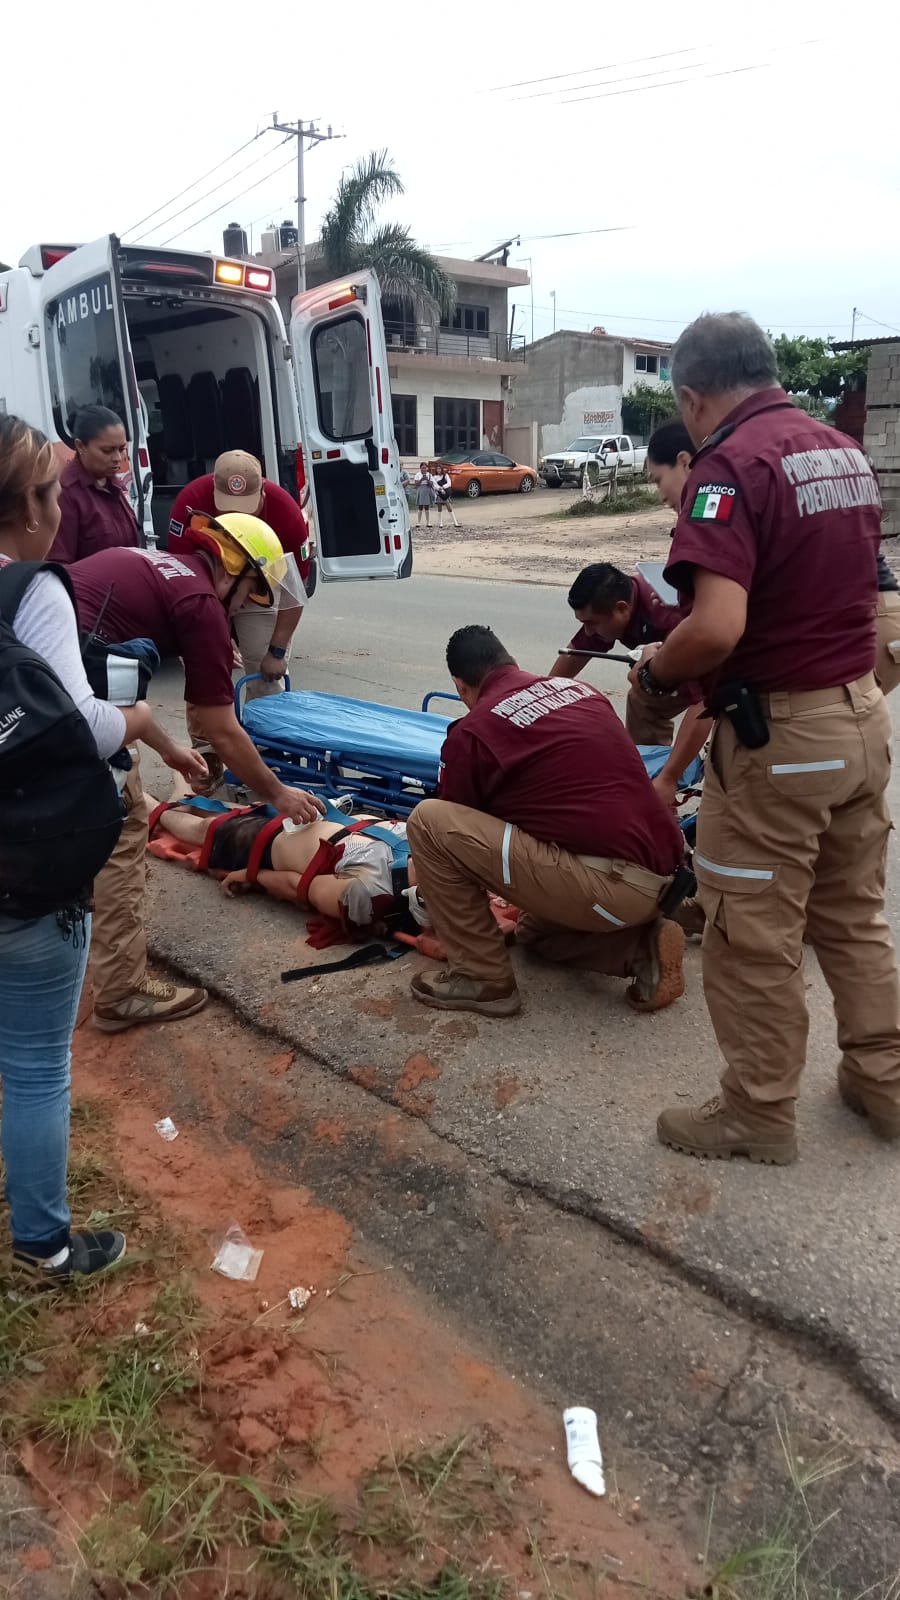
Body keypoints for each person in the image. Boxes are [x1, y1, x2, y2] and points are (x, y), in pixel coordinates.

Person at [634, 311, 900, 1165]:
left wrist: (654, 675)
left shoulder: (729, 468)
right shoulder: (840, 451)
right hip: (858, 715)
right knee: (853, 918)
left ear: (691, 395)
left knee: (753, 933)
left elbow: (715, 628)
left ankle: (757, 1111)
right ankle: (884, 1080)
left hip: (781, 738)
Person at [0, 415, 205, 1283]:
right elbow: (80, 725)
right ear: (33, 505)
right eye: (49, 493)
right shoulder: (30, 590)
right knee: (37, 1065)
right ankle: (44, 1243)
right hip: (26, 861)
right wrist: (145, 721)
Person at [70, 513, 324, 1033]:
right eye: (252, 588)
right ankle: (120, 993)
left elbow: (128, 708)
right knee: (123, 831)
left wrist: (167, 749)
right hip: (63, 695)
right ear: (233, 569)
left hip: (46, 682)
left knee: (102, 814)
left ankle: (65, 924)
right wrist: (277, 794)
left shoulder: (167, 566)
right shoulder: (201, 604)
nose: (247, 604)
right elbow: (223, 731)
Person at [405, 625, 686, 1018]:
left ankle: (482, 978)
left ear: (459, 685)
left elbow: (455, 832)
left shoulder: (475, 730)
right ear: (512, 663)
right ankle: (642, 951)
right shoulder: (583, 692)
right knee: (534, 934)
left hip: (613, 887)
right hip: (668, 876)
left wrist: (429, 884)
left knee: (427, 823)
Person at [168, 451, 312, 703]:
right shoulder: (191, 502)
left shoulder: (286, 513)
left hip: (262, 589)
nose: (238, 517)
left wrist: (277, 652)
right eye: (229, 508)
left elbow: (293, 592)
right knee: (203, 670)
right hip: (205, 587)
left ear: (263, 494)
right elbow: (183, 580)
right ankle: (206, 742)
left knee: (265, 673)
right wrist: (214, 630)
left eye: (246, 509)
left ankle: (267, 736)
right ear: (213, 492)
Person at [148, 799, 410, 932]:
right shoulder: (424, 836)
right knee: (222, 810)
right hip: (307, 816)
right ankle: (176, 791)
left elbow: (296, 887)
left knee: (205, 828)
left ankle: (146, 804)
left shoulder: (367, 892)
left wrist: (253, 875)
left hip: (267, 842)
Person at [549, 562, 697, 746]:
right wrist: (544, 694)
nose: (588, 631)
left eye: (591, 623)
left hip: (727, 668)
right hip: (675, 662)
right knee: (640, 699)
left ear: (622, 608)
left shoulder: (667, 616)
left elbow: (703, 701)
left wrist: (671, 773)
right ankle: (648, 765)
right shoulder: (615, 602)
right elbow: (577, 651)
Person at [48, 406, 140, 564]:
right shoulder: (66, 493)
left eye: (122, 449)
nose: (118, 458)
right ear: (81, 446)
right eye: (107, 450)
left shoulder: (114, 483)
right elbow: (60, 564)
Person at [433, 464, 459, 529]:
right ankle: (440, 523)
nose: (438, 470)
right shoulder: (435, 477)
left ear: (442, 469)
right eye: (437, 469)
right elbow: (435, 485)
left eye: (439, 469)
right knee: (439, 508)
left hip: (446, 493)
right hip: (439, 493)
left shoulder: (446, 475)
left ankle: (455, 522)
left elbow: (449, 483)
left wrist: (443, 487)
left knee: (449, 507)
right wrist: (440, 489)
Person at [414, 463, 434, 528]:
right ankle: (418, 522)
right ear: (420, 468)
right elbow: (416, 484)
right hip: (420, 489)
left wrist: (427, 480)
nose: (424, 469)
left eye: (425, 468)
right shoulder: (418, 474)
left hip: (427, 489)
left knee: (427, 506)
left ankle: (428, 522)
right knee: (420, 506)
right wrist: (422, 479)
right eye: (423, 468)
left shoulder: (429, 475)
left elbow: (431, 484)